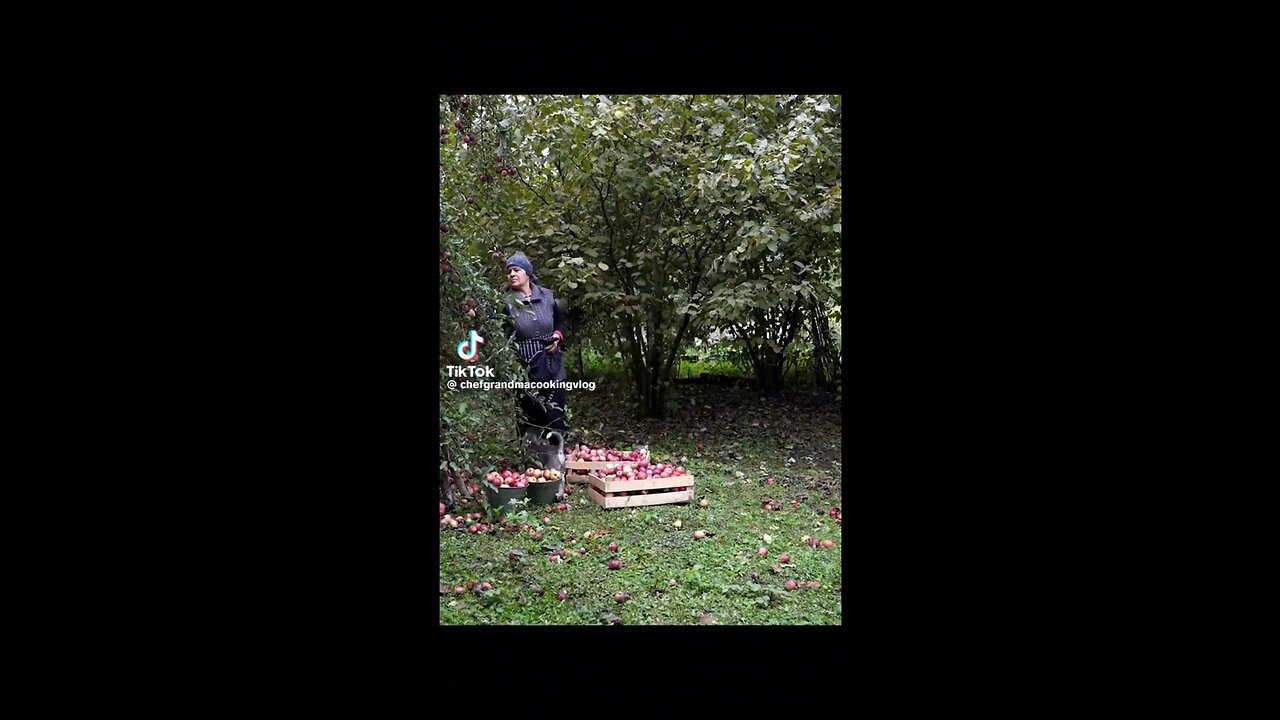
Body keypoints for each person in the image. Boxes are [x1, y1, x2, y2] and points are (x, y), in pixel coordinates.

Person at [500, 253, 569, 465]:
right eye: (509, 271)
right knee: (529, 416)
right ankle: (532, 465)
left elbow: (560, 322)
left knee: (554, 414)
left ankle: (555, 467)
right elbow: (498, 334)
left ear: (527, 272)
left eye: (516, 270)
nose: (512, 274)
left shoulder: (548, 296)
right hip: (523, 368)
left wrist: (557, 337)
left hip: (552, 366)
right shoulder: (505, 303)